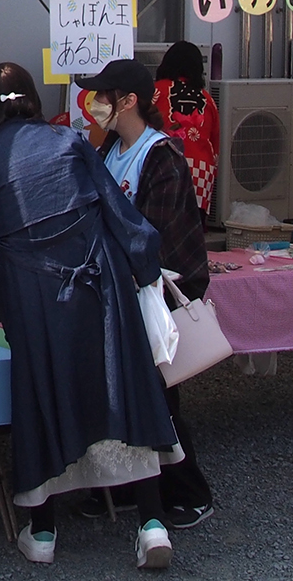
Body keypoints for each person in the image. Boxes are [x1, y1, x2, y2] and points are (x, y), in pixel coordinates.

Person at [0, 62, 180, 571]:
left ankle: (44, 531)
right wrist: (146, 269)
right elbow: (120, 213)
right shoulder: (68, 141)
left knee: (40, 391)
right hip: (99, 277)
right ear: (29, 98)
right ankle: (152, 524)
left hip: (31, 290)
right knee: (123, 384)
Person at [80, 56, 214, 529]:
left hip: (153, 290)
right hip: (120, 288)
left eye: (103, 96)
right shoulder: (109, 149)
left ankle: (190, 490)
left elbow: (156, 233)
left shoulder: (163, 155)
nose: (94, 104)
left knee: (158, 396)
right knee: (125, 393)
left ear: (128, 101)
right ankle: (129, 488)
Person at [152, 41, 220, 214]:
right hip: (201, 169)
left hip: (164, 166)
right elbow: (215, 141)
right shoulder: (207, 99)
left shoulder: (155, 91)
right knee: (193, 230)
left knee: (163, 223)